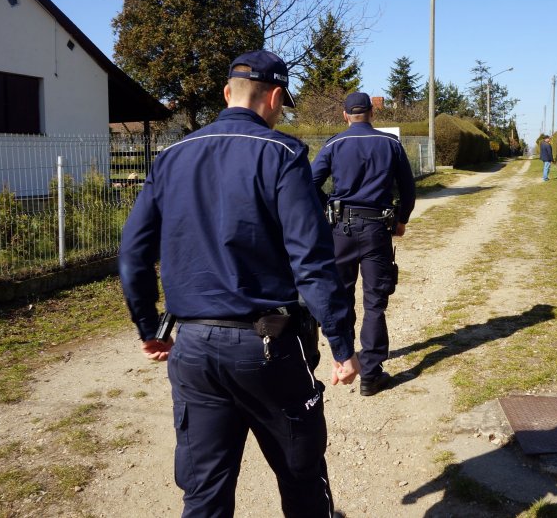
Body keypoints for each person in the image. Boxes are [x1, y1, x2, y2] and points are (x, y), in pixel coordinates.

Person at [119, 50, 359, 517]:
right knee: (301, 476)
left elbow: (133, 255)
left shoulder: (170, 157)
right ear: (273, 97)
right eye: (281, 105)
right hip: (268, 347)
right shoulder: (283, 155)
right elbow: (310, 259)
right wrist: (342, 343)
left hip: (193, 349)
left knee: (204, 493)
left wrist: (150, 326)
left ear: (228, 93)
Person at [311, 92, 416, 397]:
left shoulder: (333, 144)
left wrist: (327, 209)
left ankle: (344, 359)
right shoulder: (391, 144)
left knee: (340, 297)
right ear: (372, 112)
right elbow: (407, 188)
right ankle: (371, 373)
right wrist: (401, 219)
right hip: (376, 229)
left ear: (345, 116)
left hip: (340, 229)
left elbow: (309, 182)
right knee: (374, 302)